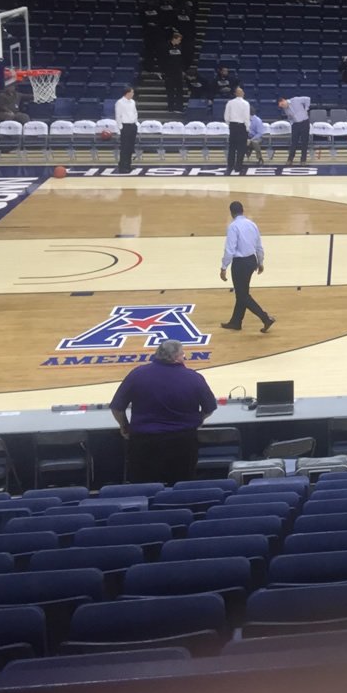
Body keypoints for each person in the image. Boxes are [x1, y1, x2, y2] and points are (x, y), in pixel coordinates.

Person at [109, 340, 217, 484]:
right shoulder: (193, 377)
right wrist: (198, 420)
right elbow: (210, 407)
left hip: (144, 443)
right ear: (177, 357)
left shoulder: (138, 374)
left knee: (144, 487)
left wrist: (124, 426)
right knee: (181, 487)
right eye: (183, 354)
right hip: (182, 443)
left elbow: (117, 407)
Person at [220, 199, 275, 332]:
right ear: (242, 210)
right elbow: (258, 245)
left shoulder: (233, 227)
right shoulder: (252, 224)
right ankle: (236, 322)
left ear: (231, 213)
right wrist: (260, 262)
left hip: (240, 263)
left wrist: (223, 267)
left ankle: (265, 318)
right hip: (251, 261)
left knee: (243, 295)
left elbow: (230, 249)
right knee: (242, 293)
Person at [223, 86, 251, 175]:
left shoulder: (230, 103)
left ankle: (230, 167)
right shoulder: (245, 103)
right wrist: (247, 128)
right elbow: (246, 117)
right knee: (241, 148)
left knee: (232, 148)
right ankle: (238, 167)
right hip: (242, 126)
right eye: (242, 91)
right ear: (241, 93)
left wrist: (229, 125)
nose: (243, 93)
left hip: (233, 126)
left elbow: (226, 116)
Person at [279, 94, 311, 164]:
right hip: (295, 124)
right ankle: (290, 159)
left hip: (304, 122)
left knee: (304, 142)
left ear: (284, 100)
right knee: (294, 142)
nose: (283, 106)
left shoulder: (295, 100)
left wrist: (306, 109)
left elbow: (308, 98)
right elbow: (289, 117)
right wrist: (292, 123)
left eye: (282, 104)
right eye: (281, 106)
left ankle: (303, 160)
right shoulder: (285, 109)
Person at [114, 87, 138, 173]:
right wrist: (120, 127)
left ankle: (128, 164)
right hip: (125, 126)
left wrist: (135, 122)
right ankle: (122, 166)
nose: (133, 94)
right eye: (132, 92)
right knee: (125, 147)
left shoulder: (133, 102)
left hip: (132, 126)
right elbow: (118, 116)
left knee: (131, 147)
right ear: (127, 93)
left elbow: (135, 112)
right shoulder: (120, 102)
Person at [162, 31, 187, 116]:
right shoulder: (166, 46)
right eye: (179, 40)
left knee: (180, 90)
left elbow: (182, 59)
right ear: (174, 39)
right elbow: (163, 59)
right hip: (169, 72)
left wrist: (182, 70)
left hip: (178, 72)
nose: (180, 41)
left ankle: (179, 107)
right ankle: (171, 108)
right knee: (170, 91)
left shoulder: (180, 47)